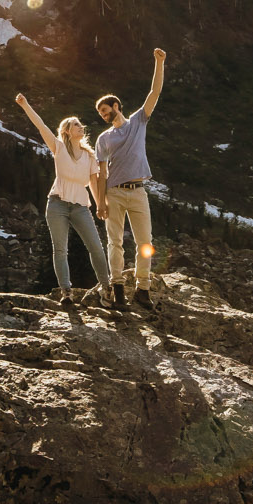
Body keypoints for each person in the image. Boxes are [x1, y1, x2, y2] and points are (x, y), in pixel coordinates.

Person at [14, 92, 112, 304]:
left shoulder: (89, 156)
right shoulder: (58, 147)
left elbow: (94, 183)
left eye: (80, 124)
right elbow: (40, 126)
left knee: (95, 246)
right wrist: (26, 104)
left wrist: (100, 206)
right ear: (67, 131)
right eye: (75, 124)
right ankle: (66, 293)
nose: (80, 126)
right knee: (60, 249)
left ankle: (107, 288)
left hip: (80, 207)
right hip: (57, 203)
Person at [94, 47, 165, 309]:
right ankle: (119, 291)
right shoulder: (103, 139)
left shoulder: (138, 122)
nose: (103, 115)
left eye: (105, 110)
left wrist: (159, 63)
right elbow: (101, 172)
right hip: (113, 192)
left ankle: (143, 289)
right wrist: (100, 202)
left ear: (116, 106)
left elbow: (154, 93)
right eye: (100, 114)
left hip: (138, 191)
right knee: (115, 242)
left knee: (145, 242)